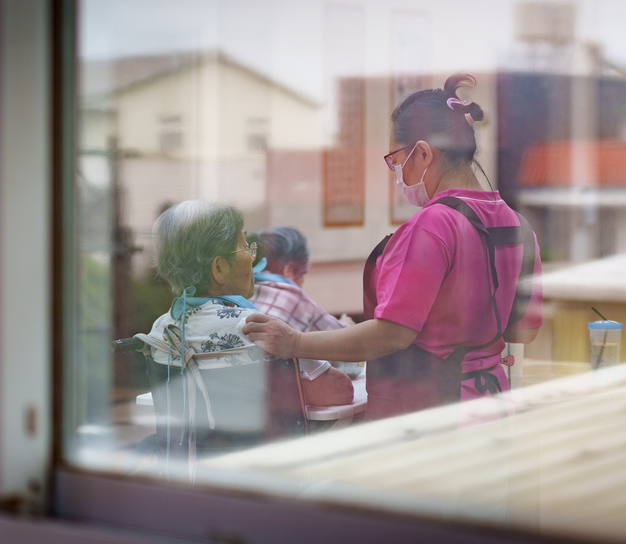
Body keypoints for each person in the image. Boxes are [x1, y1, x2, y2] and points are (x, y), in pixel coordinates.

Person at [243, 74, 543, 419]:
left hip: (433, 416)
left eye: (396, 160)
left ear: (423, 153)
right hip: (494, 407)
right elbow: (525, 330)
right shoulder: (518, 226)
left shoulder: (433, 226)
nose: (396, 171)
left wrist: (295, 343)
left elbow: (392, 333)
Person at [140, 201, 352, 412]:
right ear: (219, 268)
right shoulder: (256, 328)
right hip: (262, 446)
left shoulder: (161, 330)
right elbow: (339, 391)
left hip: (191, 446)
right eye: (245, 248)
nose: (253, 259)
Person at [250, 226, 349, 335]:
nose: (302, 282)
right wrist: (346, 323)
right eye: (303, 274)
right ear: (288, 270)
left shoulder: (246, 291)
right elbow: (343, 336)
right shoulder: (294, 298)